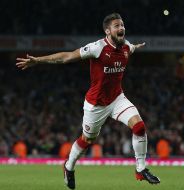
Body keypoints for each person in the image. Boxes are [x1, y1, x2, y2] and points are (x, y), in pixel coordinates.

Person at [16, 13, 160, 189]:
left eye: (122, 25)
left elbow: (131, 48)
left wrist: (136, 46)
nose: (121, 28)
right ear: (108, 31)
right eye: (117, 26)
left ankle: (140, 168)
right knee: (87, 140)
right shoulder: (97, 47)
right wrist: (38, 60)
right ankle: (68, 166)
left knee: (139, 127)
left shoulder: (126, 46)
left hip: (117, 99)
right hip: (96, 105)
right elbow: (67, 57)